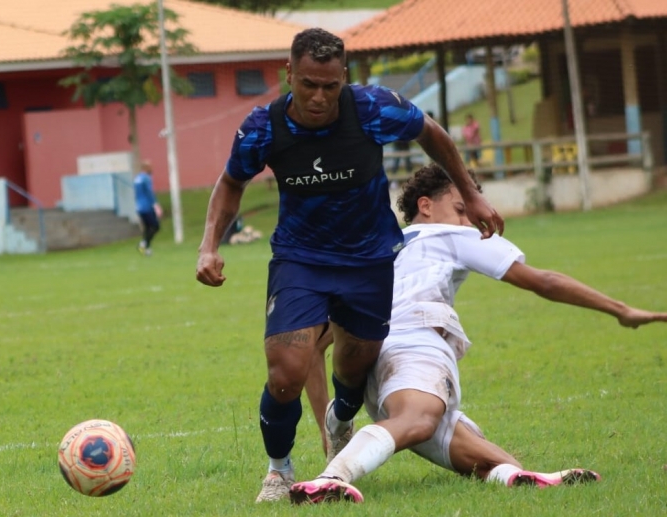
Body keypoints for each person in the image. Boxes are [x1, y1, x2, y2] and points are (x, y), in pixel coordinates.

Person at [194, 28, 504, 503]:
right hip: (302, 260)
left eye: (330, 86)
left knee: (355, 370)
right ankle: (278, 471)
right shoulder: (263, 127)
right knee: (286, 373)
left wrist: (471, 193)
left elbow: (432, 133)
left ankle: (341, 416)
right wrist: (209, 245)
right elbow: (231, 182)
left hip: (369, 261)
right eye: (308, 84)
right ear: (289, 74)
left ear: (344, 78)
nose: (319, 97)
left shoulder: (374, 108)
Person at [290, 164, 667, 504]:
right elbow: (543, 281)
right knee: (419, 419)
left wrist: (333, 424)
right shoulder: (448, 235)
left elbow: (311, 347)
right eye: (461, 209)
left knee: (486, 460)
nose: (470, 221)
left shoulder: (380, 249)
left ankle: (519, 476)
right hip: (415, 345)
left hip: (378, 374)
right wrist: (621, 310)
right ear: (426, 205)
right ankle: (331, 478)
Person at [133, 159, 161, 256]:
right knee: (155, 226)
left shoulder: (137, 178)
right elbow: (149, 192)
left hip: (139, 207)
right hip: (147, 207)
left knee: (147, 228)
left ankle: (146, 249)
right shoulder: (146, 178)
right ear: (146, 168)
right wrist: (155, 205)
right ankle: (143, 243)